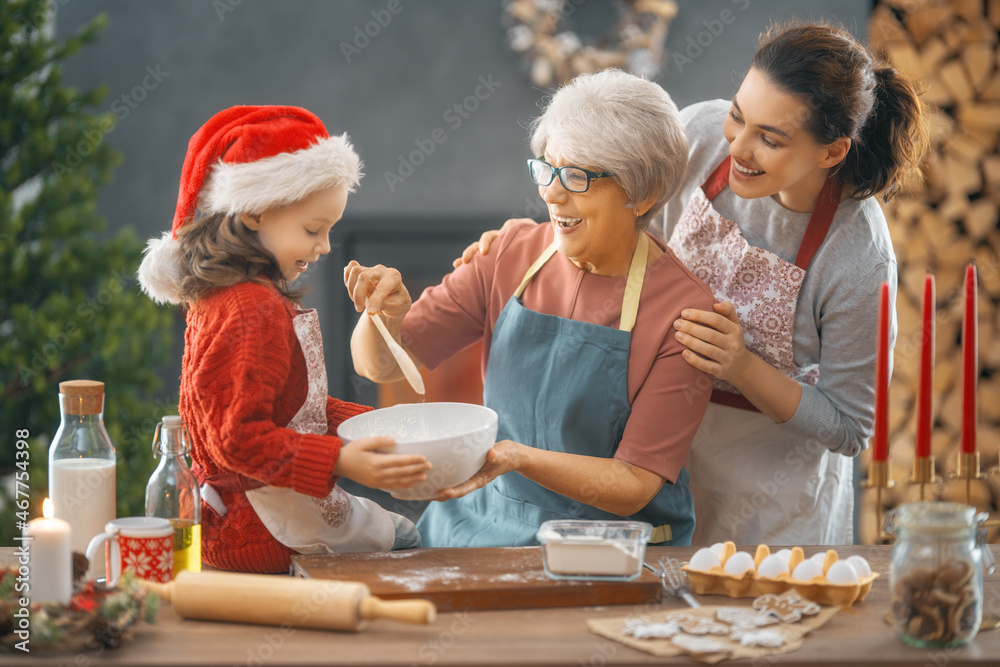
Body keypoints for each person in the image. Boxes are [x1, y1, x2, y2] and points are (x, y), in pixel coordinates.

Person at [458, 20, 930, 546]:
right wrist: (529, 244)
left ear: (831, 152)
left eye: (770, 139)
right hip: (649, 463)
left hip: (770, 500)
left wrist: (742, 366)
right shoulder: (698, 136)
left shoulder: (857, 256)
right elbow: (615, 226)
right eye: (737, 116)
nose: (739, 148)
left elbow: (849, 426)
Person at [345, 69, 715, 548]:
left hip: (604, 546)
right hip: (478, 525)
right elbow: (376, 365)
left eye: (578, 176)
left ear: (642, 194)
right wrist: (380, 316)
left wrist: (519, 458)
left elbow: (633, 485)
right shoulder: (509, 252)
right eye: (547, 168)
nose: (551, 193)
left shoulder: (684, 314)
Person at [137, 106, 429, 573]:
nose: (326, 246)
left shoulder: (236, 297)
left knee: (404, 532)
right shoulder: (249, 309)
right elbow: (238, 441)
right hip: (259, 530)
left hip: (245, 516)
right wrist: (343, 461)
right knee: (412, 540)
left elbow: (293, 410)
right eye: (313, 229)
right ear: (254, 211)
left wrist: (378, 429)